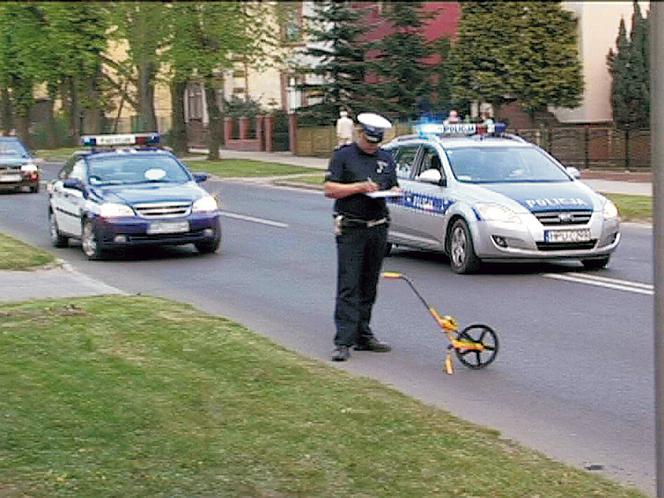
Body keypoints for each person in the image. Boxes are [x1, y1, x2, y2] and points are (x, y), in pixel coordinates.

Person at [324, 112, 401, 362]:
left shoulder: (386, 158)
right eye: (368, 141)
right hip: (352, 227)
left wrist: (395, 191)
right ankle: (343, 340)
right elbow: (330, 189)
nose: (372, 147)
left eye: (375, 143)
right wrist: (359, 187)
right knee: (349, 284)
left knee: (369, 284)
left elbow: (392, 185)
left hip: (378, 225)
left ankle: (363, 334)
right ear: (359, 134)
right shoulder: (343, 156)